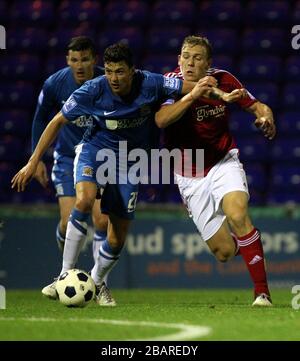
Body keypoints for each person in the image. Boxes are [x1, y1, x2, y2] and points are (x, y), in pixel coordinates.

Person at [13, 42, 230, 306]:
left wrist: (224, 95)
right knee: (83, 201)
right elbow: (57, 120)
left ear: (132, 71)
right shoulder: (92, 90)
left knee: (117, 237)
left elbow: (196, 88)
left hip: (129, 162)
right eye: (110, 72)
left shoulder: (150, 83)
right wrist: (32, 161)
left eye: (120, 72)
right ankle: (63, 276)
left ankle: (96, 281)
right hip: (94, 150)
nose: (114, 78)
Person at [155, 35, 276, 307]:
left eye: (197, 58)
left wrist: (267, 117)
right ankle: (248, 241)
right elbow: (161, 120)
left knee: (237, 213)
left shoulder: (224, 80)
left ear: (208, 63)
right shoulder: (170, 85)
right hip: (188, 175)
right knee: (223, 252)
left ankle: (262, 293)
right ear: (178, 59)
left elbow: (259, 107)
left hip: (223, 162)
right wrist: (192, 95)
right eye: (185, 56)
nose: (190, 62)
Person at [30, 36, 111, 304]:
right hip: (66, 158)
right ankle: (65, 276)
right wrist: (37, 157)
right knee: (68, 223)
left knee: (101, 220)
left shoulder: (106, 81)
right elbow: (41, 118)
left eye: (85, 59)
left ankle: (99, 285)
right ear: (68, 60)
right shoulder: (55, 83)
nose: (79, 65)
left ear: (94, 60)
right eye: (74, 60)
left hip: (98, 157)